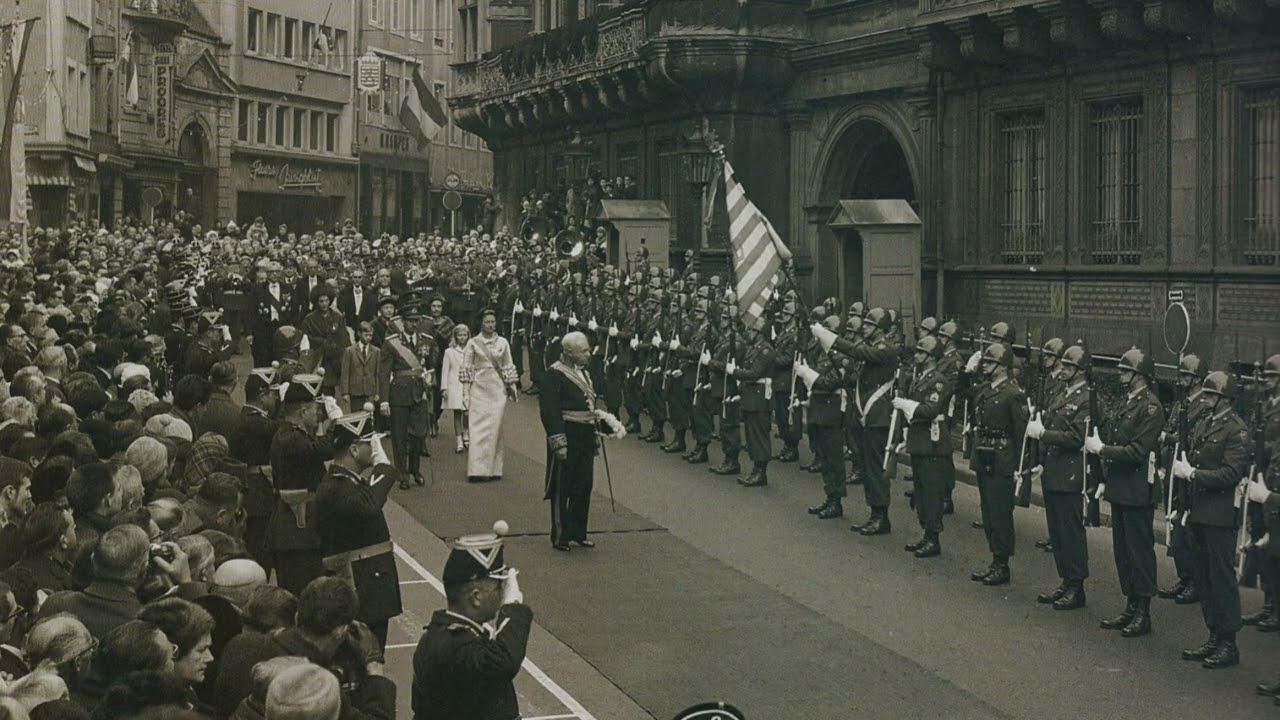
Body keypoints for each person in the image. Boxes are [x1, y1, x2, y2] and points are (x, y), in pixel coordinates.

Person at [411, 522, 531, 720]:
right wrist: (513, 608)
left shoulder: (449, 634)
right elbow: (503, 662)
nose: (502, 594)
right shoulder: (455, 643)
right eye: (499, 588)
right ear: (476, 597)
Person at [1172, 371, 1249, 668]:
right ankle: (1214, 635)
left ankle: (1228, 642)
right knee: (1203, 578)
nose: (1204, 399)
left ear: (1224, 399)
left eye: (1210, 395)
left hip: (1219, 516)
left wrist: (1192, 474)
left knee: (1220, 578)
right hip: (1200, 511)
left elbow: (1231, 473)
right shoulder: (1206, 422)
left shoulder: (1236, 430)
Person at [1086, 346, 1164, 638]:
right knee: (1123, 552)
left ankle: (1143, 611)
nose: (1121, 374)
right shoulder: (1127, 401)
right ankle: (1130, 605)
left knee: (1139, 551)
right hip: (1120, 487)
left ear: (1140, 376)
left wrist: (1103, 450)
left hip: (1137, 489)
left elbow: (1137, 451)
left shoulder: (1151, 407)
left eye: (1126, 371)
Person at [316, 411, 401, 651]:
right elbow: (369, 505)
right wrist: (383, 470)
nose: (373, 449)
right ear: (353, 450)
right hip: (359, 585)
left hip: (367, 582)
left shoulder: (347, 481)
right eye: (368, 444)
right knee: (365, 653)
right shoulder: (338, 486)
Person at [1024, 344, 1092, 609]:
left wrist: (1042, 435)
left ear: (1079, 371)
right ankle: (1066, 580)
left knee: (1070, 531)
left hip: (1069, 474)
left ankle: (1077, 586)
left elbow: (1076, 438)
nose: (1062, 370)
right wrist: (1039, 459)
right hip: (1054, 471)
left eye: (1068, 367)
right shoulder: (1062, 393)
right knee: (1057, 532)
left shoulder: (1086, 399)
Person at [540, 332, 611, 551]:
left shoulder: (585, 374)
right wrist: (558, 441)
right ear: (569, 353)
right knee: (563, 487)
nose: (589, 355)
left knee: (583, 485)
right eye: (584, 351)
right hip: (567, 434)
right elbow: (550, 411)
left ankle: (578, 531)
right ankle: (560, 535)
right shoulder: (554, 374)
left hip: (585, 436)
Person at [266, 373, 334, 596]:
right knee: (302, 594)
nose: (318, 413)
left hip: (298, 530)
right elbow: (320, 450)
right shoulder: (291, 439)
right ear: (303, 410)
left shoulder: (293, 435)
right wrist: (337, 424)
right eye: (315, 408)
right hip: (296, 531)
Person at [967, 341, 1027, 586]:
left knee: (1000, 512)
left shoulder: (1013, 394)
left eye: (990, 363)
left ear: (1002, 367)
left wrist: (1019, 468)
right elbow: (966, 395)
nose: (986, 366)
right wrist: (967, 372)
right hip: (983, 453)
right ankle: (995, 559)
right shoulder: (985, 389)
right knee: (988, 511)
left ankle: (1002, 563)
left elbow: (1020, 432)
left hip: (1002, 458)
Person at [892, 334, 955, 558]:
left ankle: (933, 537)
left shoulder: (939, 381)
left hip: (932, 444)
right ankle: (926, 534)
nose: (917, 356)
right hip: (919, 441)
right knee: (920, 491)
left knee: (931, 492)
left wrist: (907, 405)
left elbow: (930, 410)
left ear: (931, 357)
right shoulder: (920, 378)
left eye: (921, 352)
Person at [377, 295, 436, 489]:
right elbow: (383, 373)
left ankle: (415, 469)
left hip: (419, 393)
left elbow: (433, 364)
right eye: (410, 321)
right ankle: (402, 474)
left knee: (419, 435)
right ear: (403, 322)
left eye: (416, 321)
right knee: (399, 437)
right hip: (399, 394)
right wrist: (384, 400)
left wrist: (429, 378)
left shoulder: (426, 340)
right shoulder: (391, 343)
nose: (413, 324)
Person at [461, 309, 518, 483]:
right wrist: (465, 393)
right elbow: (467, 369)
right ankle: (477, 470)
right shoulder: (472, 343)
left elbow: (508, 365)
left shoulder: (503, 342)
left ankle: (494, 468)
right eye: (487, 322)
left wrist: (512, 387)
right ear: (481, 323)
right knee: (477, 428)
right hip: (478, 388)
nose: (491, 325)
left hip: (497, 389)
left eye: (493, 322)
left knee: (495, 428)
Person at [440, 324, 470, 454]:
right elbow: (445, 371)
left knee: (467, 412)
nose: (462, 338)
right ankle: (459, 440)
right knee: (457, 412)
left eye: (464, 335)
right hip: (454, 385)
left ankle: (466, 434)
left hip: (468, 385)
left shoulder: (472, 349)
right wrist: (444, 388)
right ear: (455, 336)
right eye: (459, 335)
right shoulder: (449, 351)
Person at [339, 322, 381, 414]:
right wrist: (345, 392)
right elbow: (345, 372)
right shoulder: (350, 351)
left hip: (370, 390)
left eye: (370, 335)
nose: (368, 338)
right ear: (359, 334)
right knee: (356, 416)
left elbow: (377, 373)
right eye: (366, 335)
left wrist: (377, 392)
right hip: (355, 391)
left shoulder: (376, 351)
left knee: (370, 418)